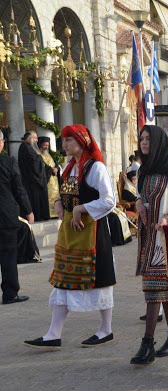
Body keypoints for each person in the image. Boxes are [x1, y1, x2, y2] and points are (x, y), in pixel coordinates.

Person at [24, 125, 117, 350]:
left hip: (93, 233)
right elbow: (66, 194)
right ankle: (53, 333)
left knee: (100, 279)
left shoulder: (95, 168)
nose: (64, 144)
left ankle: (106, 329)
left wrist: (80, 209)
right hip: (71, 233)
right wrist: (59, 203)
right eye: (63, 140)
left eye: (69, 140)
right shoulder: (70, 167)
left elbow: (109, 200)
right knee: (63, 281)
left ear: (82, 141)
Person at [130, 125, 168, 366]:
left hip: (167, 240)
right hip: (149, 239)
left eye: (148, 139)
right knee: (162, 290)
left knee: (156, 290)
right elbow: (139, 194)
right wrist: (138, 203)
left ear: (158, 142)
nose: (144, 142)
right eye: (142, 139)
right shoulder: (145, 171)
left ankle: (148, 342)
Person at [0, 130, 33, 304]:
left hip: (5, 217)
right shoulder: (8, 162)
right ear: (1, 143)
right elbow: (19, 190)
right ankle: (10, 294)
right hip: (5, 217)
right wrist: (28, 210)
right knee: (8, 258)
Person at [18, 131, 49, 221]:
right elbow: (33, 162)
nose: (36, 140)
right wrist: (39, 157)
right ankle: (37, 216)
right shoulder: (25, 147)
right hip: (32, 180)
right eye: (35, 138)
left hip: (34, 179)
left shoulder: (29, 147)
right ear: (29, 138)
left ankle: (41, 216)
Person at [37, 137, 60, 219]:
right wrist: (51, 170)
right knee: (48, 197)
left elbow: (56, 163)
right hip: (46, 179)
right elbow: (42, 167)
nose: (46, 147)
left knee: (56, 196)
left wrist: (56, 168)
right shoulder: (38, 155)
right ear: (40, 145)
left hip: (54, 180)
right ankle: (49, 214)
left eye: (47, 145)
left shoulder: (51, 154)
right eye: (44, 145)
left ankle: (57, 213)